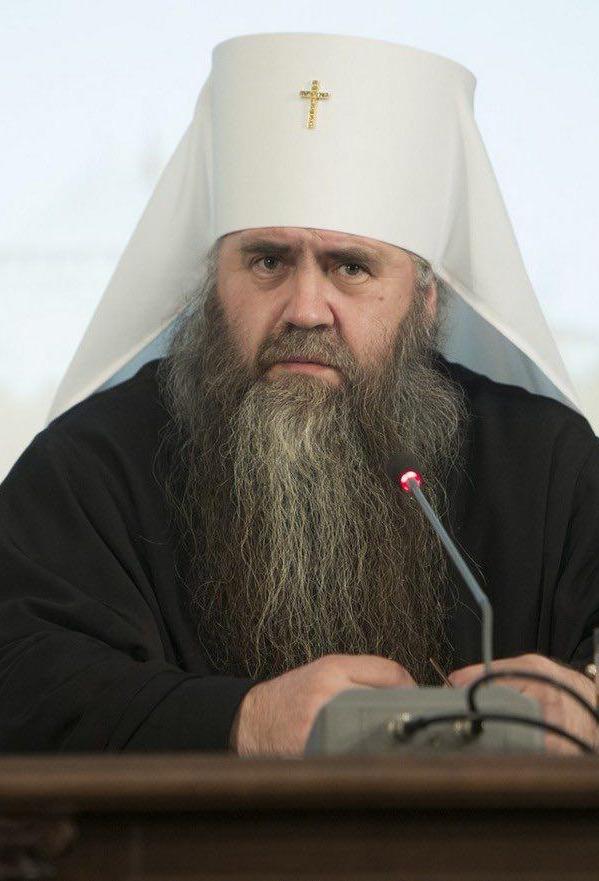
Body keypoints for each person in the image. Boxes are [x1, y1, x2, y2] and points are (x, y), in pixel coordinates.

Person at [0, 33, 597, 756]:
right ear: (213, 284)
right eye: (267, 262)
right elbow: (22, 676)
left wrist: (586, 706)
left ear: (426, 301)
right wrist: (242, 721)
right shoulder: (91, 467)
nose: (305, 309)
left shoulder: (547, 465)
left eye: (350, 268)